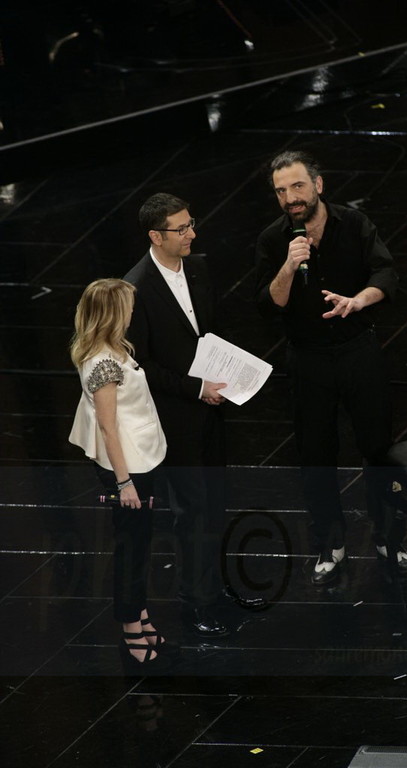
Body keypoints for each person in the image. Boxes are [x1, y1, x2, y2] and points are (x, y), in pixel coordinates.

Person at [254, 150, 407, 585]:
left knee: (378, 447)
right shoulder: (273, 240)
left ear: (318, 185)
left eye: (298, 186)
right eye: (281, 191)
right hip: (308, 359)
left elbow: (385, 274)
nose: (291, 197)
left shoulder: (354, 223)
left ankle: (389, 536)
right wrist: (290, 265)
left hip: (358, 350)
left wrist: (358, 301)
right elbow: (268, 305)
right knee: (315, 455)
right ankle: (330, 542)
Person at [124, 192, 265, 638]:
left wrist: (228, 373)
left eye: (190, 223)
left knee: (215, 503)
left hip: (211, 412)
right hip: (175, 419)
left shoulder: (199, 268)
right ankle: (196, 603)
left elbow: (209, 333)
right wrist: (196, 388)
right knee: (192, 511)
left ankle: (215, 590)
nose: (192, 233)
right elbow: (141, 366)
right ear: (155, 236)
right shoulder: (135, 288)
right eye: (181, 228)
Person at [69, 278, 172, 674]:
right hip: (128, 467)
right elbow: (108, 427)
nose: (132, 312)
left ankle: (139, 611)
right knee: (132, 549)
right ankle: (131, 626)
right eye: (127, 306)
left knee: (140, 544)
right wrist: (124, 483)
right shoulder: (104, 364)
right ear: (114, 314)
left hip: (137, 458)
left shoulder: (112, 349)